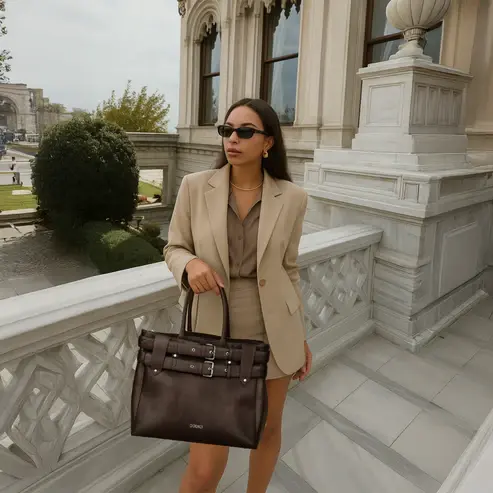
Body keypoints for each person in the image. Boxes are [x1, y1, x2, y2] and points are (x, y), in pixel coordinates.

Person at [164, 98, 312, 493]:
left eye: (245, 131)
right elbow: (174, 247)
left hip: (274, 332)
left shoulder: (293, 198)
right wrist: (190, 265)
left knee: (268, 429)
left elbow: (289, 270)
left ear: (268, 142)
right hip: (214, 330)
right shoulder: (195, 187)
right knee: (205, 464)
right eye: (227, 130)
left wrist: (299, 336)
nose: (232, 138)